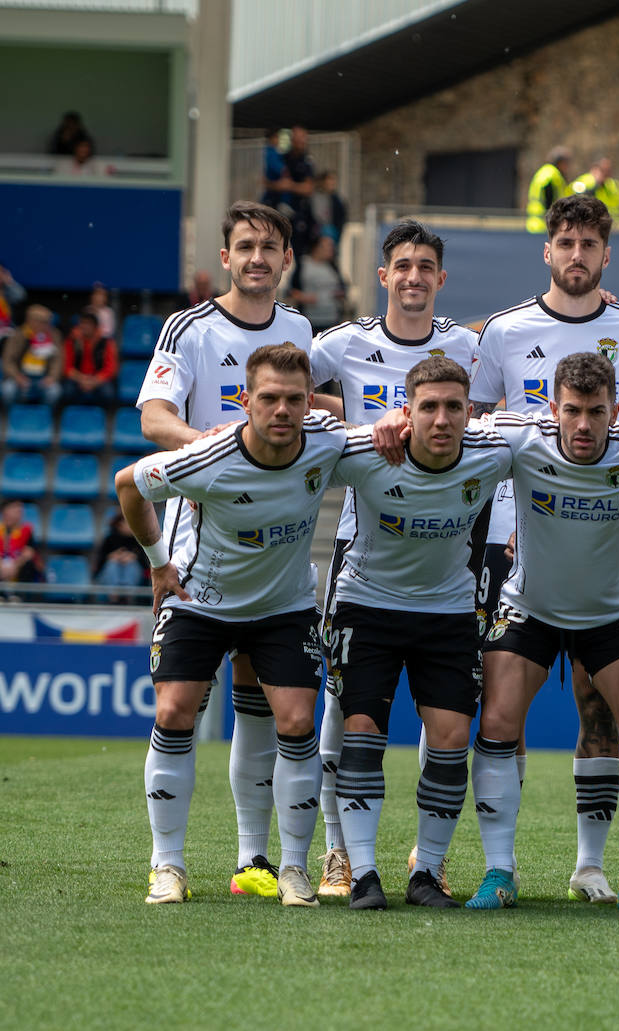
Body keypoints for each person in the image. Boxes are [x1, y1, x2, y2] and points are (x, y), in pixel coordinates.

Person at [468, 194, 619, 906]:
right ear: (547, 251)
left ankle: (599, 864)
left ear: (606, 255)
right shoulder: (503, 329)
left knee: (605, 711)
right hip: (514, 542)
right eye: (565, 243)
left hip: (604, 549)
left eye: (589, 244)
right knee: (499, 718)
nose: (576, 254)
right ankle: (499, 864)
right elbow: (471, 418)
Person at [136, 200, 332, 901]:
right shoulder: (188, 326)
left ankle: (256, 858)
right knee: (176, 707)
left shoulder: (301, 328)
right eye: (244, 245)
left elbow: (320, 400)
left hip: (276, 557)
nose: (256, 257)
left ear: (286, 259)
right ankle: (168, 861)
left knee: (262, 701)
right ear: (226, 257)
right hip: (202, 546)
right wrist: (221, 452)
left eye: (269, 246)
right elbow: (154, 415)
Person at [463, 351, 619, 913]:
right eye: (573, 411)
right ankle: (499, 871)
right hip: (530, 608)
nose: (585, 425)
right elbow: (448, 428)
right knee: (496, 721)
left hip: (610, 614)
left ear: (617, 409)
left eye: (597, 411)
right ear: (553, 408)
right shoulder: (521, 438)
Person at [115, 343, 348, 906]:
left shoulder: (328, 442)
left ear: (309, 402)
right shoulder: (208, 456)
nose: (282, 411)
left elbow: (375, 434)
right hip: (201, 600)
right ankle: (167, 866)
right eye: (268, 398)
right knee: (173, 710)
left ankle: (292, 868)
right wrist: (157, 562)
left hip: (282, 607)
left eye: (295, 399)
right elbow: (129, 484)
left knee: (295, 721)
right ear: (244, 401)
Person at [310, 218, 480, 898]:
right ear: (384, 276)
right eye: (401, 265)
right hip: (364, 540)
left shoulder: (469, 346)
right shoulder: (346, 343)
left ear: (441, 278)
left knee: (447, 721)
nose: (412, 276)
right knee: (344, 705)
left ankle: (426, 858)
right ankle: (338, 853)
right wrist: (356, 420)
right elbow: (284, 380)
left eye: (425, 266)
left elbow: (527, 395)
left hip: (448, 541)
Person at [327, 357, 511, 910]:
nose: (441, 418)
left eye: (454, 407)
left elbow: (578, 436)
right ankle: (362, 874)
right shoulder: (368, 454)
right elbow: (297, 446)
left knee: (451, 738)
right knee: (361, 731)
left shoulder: (493, 455)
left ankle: (426, 873)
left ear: (470, 413)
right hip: (367, 606)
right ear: (406, 412)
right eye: (428, 406)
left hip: (448, 613)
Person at [2, 304, 62, 406]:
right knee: (7, 389)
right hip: (21, 375)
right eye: (42, 322)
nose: (46, 325)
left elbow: (58, 360)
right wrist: (17, 376)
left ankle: (43, 414)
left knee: (54, 391)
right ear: (30, 321)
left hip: (43, 376)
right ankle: (13, 414)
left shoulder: (54, 335)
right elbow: (8, 360)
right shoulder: (18, 335)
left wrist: (51, 377)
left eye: (47, 322)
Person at [290, 235, 349, 333]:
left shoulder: (333, 266)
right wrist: (304, 297)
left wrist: (339, 294)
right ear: (316, 248)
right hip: (310, 320)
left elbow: (343, 287)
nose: (331, 250)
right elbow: (291, 290)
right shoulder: (303, 265)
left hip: (332, 320)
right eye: (327, 247)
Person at [61, 309, 119, 406]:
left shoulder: (106, 342)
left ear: (95, 326)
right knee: (67, 391)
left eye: (88, 324)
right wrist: (81, 379)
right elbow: (67, 367)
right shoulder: (72, 341)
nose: (85, 326)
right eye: (83, 323)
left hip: (97, 379)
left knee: (108, 393)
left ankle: (102, 417)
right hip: (78, 379)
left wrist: (95, 381)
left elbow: (111, 368)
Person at [92, 512, 148, 604]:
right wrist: (111, 557)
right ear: (119, 525)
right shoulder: (109, 539)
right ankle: (114, 595)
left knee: (131, 565)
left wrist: (134, 557)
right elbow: (99, 564)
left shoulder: (139, 540)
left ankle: (127, 595)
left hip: (134, 576)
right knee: (112, 564)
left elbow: (146, 566)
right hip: (108, 577)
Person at [526, 146, 573, 233]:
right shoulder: (552, 176)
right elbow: (550, 202)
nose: (567, 167)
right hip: (545, 225)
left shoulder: (544, 172)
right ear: (560, 163)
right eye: (566, 163)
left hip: (534, 224)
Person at [1, 499, 43, 595]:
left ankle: (19, 596)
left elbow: (29, 552)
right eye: (15, 508)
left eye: (20, 509)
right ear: (5, 511)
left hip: (18, 568)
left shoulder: (26, 531)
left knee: (28, 564)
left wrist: (15, 566)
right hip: (2, 567)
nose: (19, 511)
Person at [311, 171, 348, 242]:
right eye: (329, 180)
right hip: (317, 230)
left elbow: (342, 216)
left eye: (333, 180)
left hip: (331, 231)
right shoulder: (314, 196)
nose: (332, 183)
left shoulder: (337, 200)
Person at [0, 264, 26, 332]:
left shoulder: (7, 291)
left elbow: (20, 296)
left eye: (1, 272)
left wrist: (9, 282)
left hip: (8, 328)